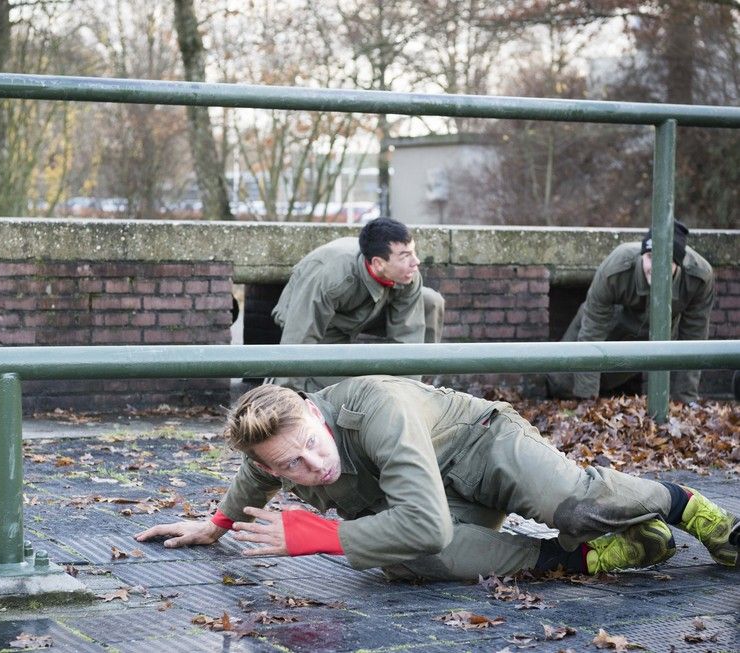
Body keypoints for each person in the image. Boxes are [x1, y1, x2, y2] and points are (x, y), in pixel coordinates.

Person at [136, 377, 738, 581]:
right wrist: (214, 526)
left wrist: (322, 535)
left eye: (313, 447)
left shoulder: (377, 409)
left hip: (481, 446)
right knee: (404, 560)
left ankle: (682, 505)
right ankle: (576, 561)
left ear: (315, 414)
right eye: (290, 465)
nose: (312, 467)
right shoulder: (270, 454)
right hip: (437, 495)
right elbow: (250, 482)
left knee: (575, 507)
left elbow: (420, 520)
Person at [547, 221, 714, 404]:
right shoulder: (616, 266)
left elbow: (694, 339)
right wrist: (588, 403)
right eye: (650, 257)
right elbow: (592, 331)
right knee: (560, 382)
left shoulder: (700, 278)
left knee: (609, 380)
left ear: (678, 264)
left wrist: (685, 402)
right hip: (607, 323)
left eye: (665, 261)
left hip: (656, 335)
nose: (656, 267)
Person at [270, 217, 445, 391]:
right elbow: (300, 335)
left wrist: (408, 392)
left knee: (430, 302)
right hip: (314, 322)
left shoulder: (408, 275)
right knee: (352, 389)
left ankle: (419, 388)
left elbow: (408, 339)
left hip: (366, 310)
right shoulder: (332, 278)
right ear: (378, 263)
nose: (416, 262)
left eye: (413, 252)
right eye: (405, 256)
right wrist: (287, 395)